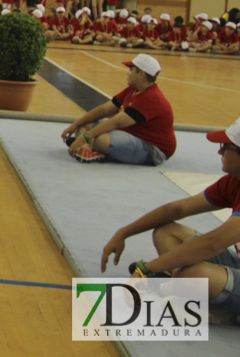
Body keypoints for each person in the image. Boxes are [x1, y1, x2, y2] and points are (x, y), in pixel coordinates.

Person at [100, 116, 240, 323]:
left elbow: (212, 244)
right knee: (166, 231)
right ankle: (184, 290)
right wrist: (124, 232)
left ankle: (188, 291)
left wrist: (146, 269)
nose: (219, 152)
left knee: (193, 274)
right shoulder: (233, 181)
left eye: (225, 147)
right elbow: (178, 208)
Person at [61, 54, 175, 165]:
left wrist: (84, 137)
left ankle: (93, 149)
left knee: (101, 140)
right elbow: (104, 110)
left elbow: (116, 122)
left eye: (131, 69)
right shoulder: (133, 90)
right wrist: (75, 125)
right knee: (85, 124)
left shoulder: (152, 98)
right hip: (133, 134)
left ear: (141, 74)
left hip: (154, 149)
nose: (127, 72)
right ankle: (89, 148)